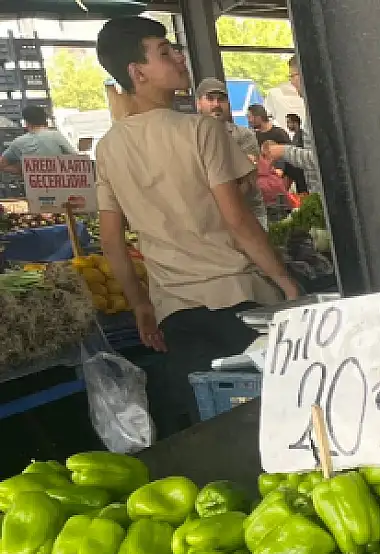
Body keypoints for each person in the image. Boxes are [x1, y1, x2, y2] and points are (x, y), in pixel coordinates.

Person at [92, 16, 300, 435]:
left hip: (175, 312)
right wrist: (285, 280)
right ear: (138, 73)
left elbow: (111, 241)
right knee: (278, 419)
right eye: (165, 52)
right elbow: (237, 219)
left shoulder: (108, 147)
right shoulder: (200, 130)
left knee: (216, 426)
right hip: (239, 300)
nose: (179, 57)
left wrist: (142, 305)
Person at [196, 77, 265, 227]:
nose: (216, 104)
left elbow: (247, 180)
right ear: (198, 104)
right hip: (209, 221)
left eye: (221, 99)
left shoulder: (244, 135)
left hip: (249, 214)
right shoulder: (190, 139)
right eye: (210, 99)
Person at [0, 104, 75, 174]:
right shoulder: (56, 136)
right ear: (45, 121)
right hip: (58, 184)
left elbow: (2, 164)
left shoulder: (18, 142)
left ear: (27, 122)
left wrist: (22, 169)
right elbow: (75, 158)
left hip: (33, 185)